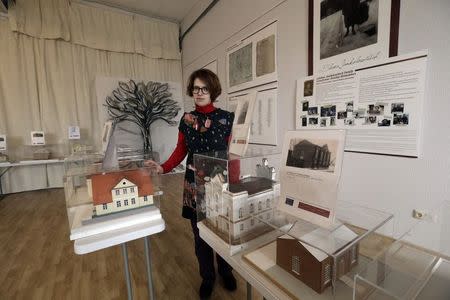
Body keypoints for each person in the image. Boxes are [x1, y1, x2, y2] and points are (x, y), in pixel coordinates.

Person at [145, 69, 236, 299]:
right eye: (196, 88)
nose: (199, 92)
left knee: (224, 230)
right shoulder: (186, 119)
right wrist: (163, 167)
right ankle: (208, 277)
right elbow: (180, 150)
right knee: (200, 234)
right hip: (193, 184)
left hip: (220, 182)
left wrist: (235, 182)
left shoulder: (227, 118)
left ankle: (226, 270)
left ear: (212, 90)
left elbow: (233, 152)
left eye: (204, 88)